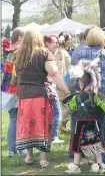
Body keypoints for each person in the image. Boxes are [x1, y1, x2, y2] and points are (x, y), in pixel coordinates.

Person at [14, 29, 70, 169]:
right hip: (40, 95)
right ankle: (43, 160)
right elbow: (54, 73)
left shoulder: (18, 55)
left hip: (24, 96)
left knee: (28, 127)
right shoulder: (44, 54)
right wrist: (66, 90)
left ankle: (29, 156)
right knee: (42, 126)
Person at [63, 63, 105, 174]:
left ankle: (76, 166)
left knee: (77, 146)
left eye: (79, 81)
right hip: (92, 124)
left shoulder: (75, 96)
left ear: (82, 83)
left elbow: (72, 106)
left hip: (80, 125)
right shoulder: (95, 96)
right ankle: (99, 164)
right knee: (96, 144)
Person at [76, 27, 105, 159]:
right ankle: (102, 156)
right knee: (103, 124)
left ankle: (89, 152)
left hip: (87, 93)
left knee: (89, 123)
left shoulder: (81, 53)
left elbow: (77, 74)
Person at [1, 27, 25, 157]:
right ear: (20, 38)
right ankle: (19, 149)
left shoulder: (9, 50)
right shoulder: (19, 51)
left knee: (13, 119)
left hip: (6, 87)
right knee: (18, 119)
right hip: (16, 88)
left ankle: (12, 149)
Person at [43, 34, 64, 144]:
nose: (57, 44)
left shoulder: (43, 53)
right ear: (47, 43)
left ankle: (49, 135)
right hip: (49, 87)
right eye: (54, 42)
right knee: (56, 112)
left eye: (57, 42)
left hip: (46, 87)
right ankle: (53, 136)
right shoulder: (47, 55)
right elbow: (52, 73)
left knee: (51, 112)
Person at [56, 32, 72, 133]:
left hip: (64, 81)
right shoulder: (61, 52)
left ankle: (62, 124)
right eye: (69, 40)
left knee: (66, 105)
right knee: (67, 105)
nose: (70, 42)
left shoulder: (62, 51)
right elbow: (60, 68)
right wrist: (61, 84)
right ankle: (61, 124)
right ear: (65, 41)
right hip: (63, 82)